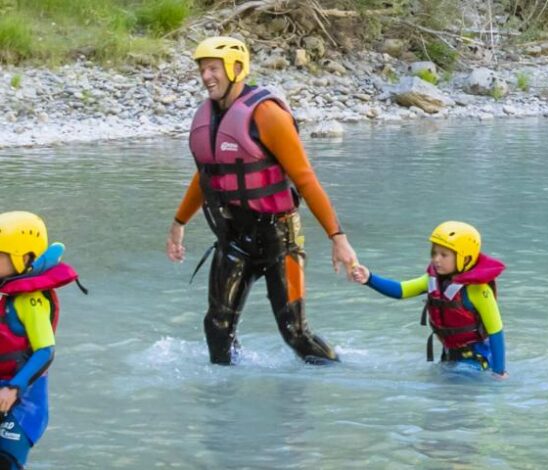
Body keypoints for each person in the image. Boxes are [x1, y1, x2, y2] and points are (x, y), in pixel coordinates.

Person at [166, 36, 357, 365]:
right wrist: (179, 223)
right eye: (202, 70)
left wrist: (338, 239)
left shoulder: (267, 115)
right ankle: (226, 407)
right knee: (216, 328)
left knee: (295, 334)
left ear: (236, 69)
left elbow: (305, 179)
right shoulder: (207, 117)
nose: (206, 77)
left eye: (213, 68)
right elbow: (207, 176)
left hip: (280, 240)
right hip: (234, 238)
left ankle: (340, 375)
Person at [352, 221, 508, 378]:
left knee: (449, 388)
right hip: (449, 358)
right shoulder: (433, 280)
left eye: (444, 255)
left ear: (465, 258)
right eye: (434, 253)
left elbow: (496, 332)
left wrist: (499, 372)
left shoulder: (479, 290)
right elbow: (401, 290)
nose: (436, 259)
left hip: (476, 363)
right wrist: (369, 278)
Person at [0, 211, 81, 469]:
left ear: (23, 258)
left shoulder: (30, 301)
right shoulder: (6, 293)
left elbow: (45, 350)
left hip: (23, 402)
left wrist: (14, 388)